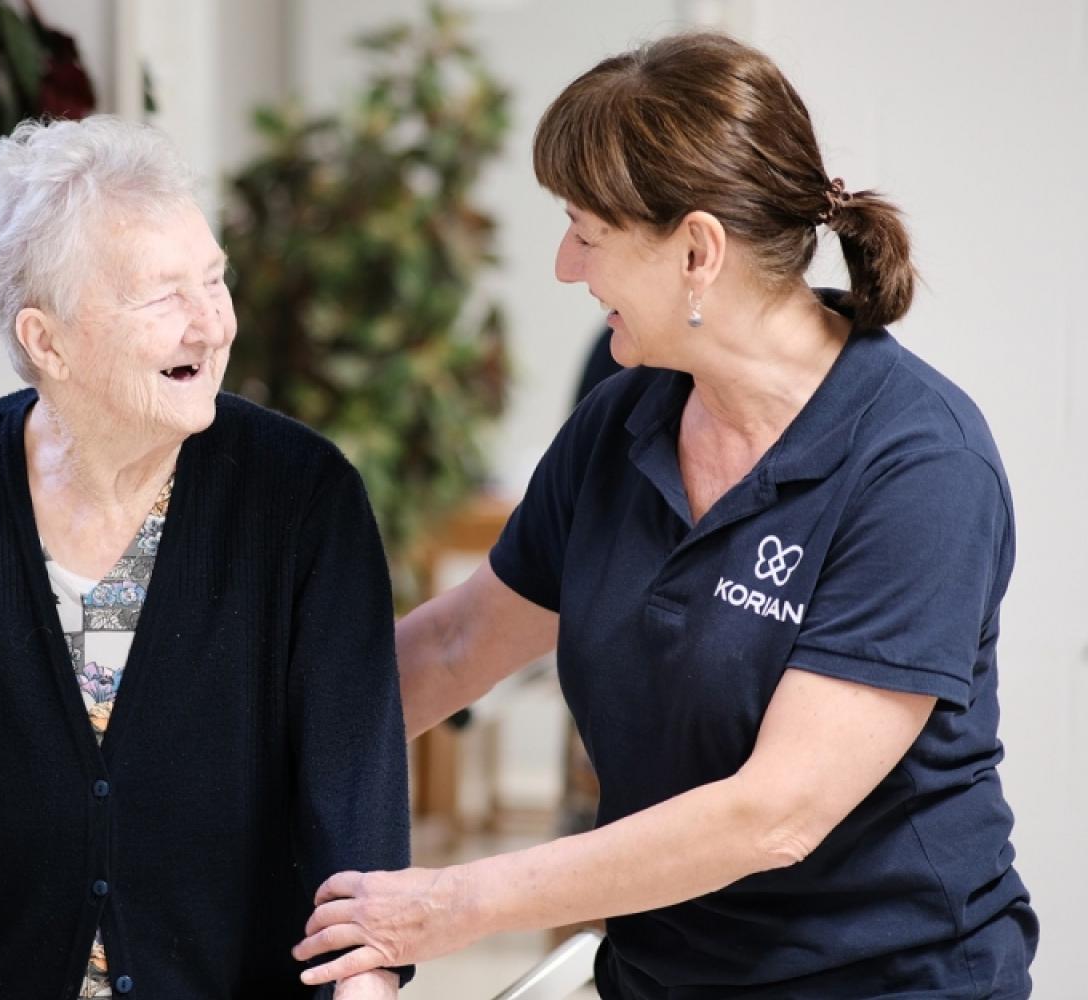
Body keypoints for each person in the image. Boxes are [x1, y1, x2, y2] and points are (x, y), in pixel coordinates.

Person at [294, 31, 1036, 998]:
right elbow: (455, 645)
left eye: (587, 233)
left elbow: (774, 814)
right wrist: (229, 756)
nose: (567, 266)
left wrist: (450, 903)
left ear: (697, 250)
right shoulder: (623, 417)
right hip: (665, 977)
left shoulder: (919, 468)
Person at [0, 116, 410, 1000]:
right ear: (46, 340)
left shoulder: (304, 505)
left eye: (215, 279)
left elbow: (354, 847)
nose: (211, 323)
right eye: (162, 296)